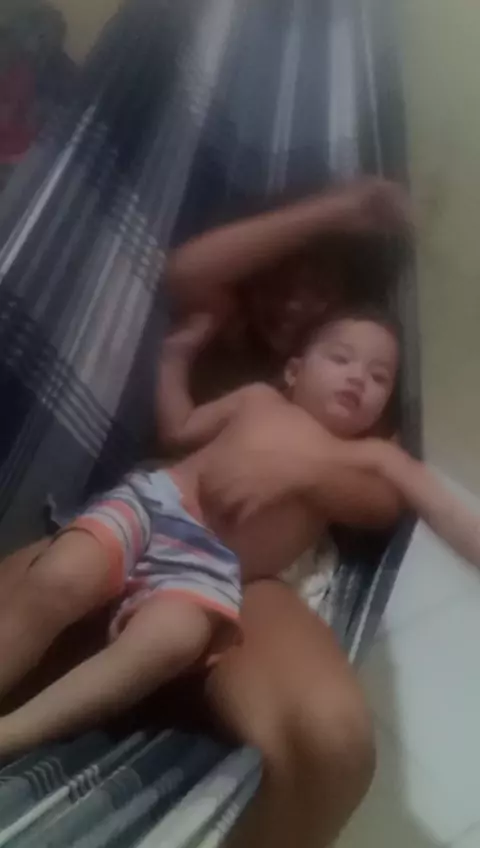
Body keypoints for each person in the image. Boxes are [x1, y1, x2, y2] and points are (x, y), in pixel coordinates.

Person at [0, 180, 410, 848]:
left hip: (244, 578)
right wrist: (337, 208)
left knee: (335, 748)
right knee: (43, 588)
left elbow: (389, 495)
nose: (294, 302)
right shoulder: (227, 318)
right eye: (283, 280)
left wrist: (302, 468)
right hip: (144, 513)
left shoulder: (357, 367)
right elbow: (184, 272)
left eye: (318, 288)